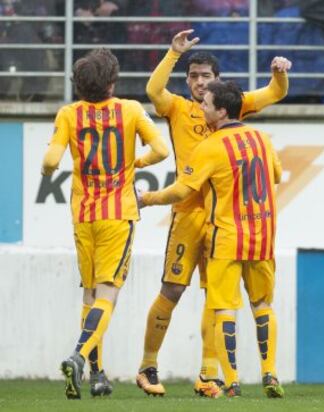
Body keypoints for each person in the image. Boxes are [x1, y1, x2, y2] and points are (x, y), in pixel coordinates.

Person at [135, 29, 291, 398]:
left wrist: (280, 72)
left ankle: (210, 374)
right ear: (187, 81)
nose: (200, 83)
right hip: (188, 212)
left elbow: (275, 92)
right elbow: (154, 92)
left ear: (217, 85)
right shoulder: (178, 107)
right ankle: (148, 364)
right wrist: (173, 53)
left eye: (205, 77)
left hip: (222, 217)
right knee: (172, 288)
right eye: (194, 76)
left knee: (215, 296)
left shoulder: (227, 103)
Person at [41, 48, 169, 399]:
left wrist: (46, 169)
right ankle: (79, 356)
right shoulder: (129, 110)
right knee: (108, 294)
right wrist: (136, 162)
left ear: (79, 85)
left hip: (84, 215)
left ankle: (98, 374)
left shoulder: (69, 114)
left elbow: (52, 159)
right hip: (118, 213)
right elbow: (162, 150)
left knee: (90, 292)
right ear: (113, 81)